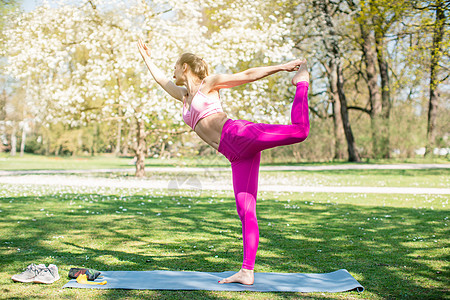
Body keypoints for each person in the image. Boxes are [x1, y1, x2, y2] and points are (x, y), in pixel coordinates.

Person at [137, 39, 310, 285]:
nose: (172, 72)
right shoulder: (185, 95)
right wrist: (146, 58)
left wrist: (283, 67)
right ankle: (247, 271)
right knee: (245, 210)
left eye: (175, 66)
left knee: (300, 131)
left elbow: (248, 75)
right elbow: (160, 80)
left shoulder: (209, 85)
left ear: (185, 67)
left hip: (239, 135)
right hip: (235, 155)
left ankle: (301, 84)